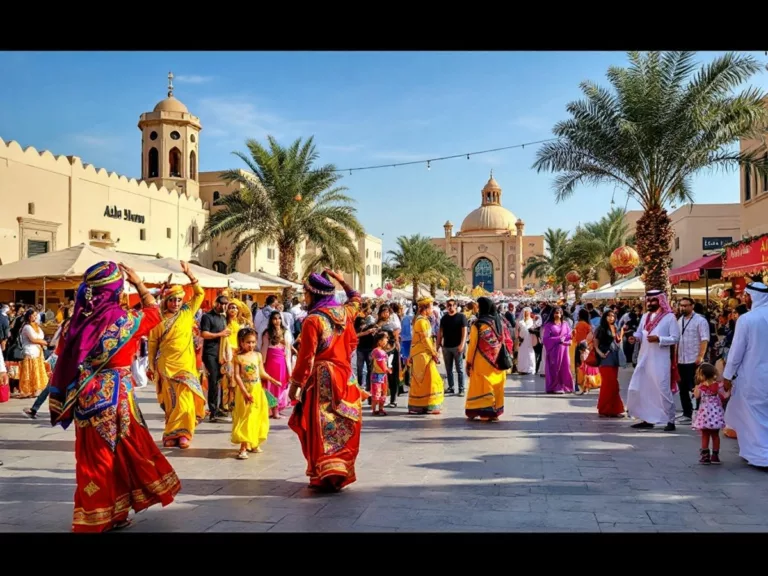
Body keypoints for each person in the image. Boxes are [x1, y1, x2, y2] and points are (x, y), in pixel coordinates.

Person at [48, 261, 180, 532]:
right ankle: (103, 517)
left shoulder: (77, 323)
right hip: (118, 397)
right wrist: (140, 284)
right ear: (117, 289)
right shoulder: (125, 321)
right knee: (118, 455)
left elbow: (64, 356)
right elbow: (154, 313)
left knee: (93, 458)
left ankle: (104, 512)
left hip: (86, 397)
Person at [287, 270, 364, 492]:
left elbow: (306, 357)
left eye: (306, 293)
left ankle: (324, 474)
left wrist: (295, 385)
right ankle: (338, 471)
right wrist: (341, 281)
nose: (304, 297)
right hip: (345, 377)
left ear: (314, 294)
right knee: (342, 423)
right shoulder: (344, 312)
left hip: (322, 379)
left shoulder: (313, 320)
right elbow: (356, 298)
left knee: (320, 425)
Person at [147, 264, 207, 449]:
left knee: (186, 401)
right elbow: (152, 344)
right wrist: (150, 366)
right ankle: (171, 434)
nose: (176, 303)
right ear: (166, 301)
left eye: (179, 300)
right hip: (166, 366)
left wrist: (190, 275)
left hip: (186, 366)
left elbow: (200, 294)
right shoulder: (158, 319)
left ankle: (185, 433)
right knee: (172, 402)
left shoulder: (187, 312)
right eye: (172, 300)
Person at [722, 282, 768, 467]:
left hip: (753, 375)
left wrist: (727, 375)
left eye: (746, 296)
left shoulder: (747, 319)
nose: (744, 299)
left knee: (753, 414)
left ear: (754, 297)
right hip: (756, 373)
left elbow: (736, 351)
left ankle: (761, 455)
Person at [627, 290, 681, 432]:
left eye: (653, 301)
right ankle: (646, 418)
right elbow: (640, 332)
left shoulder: (669, 318)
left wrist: (660, 339)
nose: (650, 303)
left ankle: (670, 420)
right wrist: (635, 338)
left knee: (663, 389)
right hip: (644, 357)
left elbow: (675, 338)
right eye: (649, 301)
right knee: (643, 387)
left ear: (660, 301)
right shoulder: (645, 316)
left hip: (660, 359)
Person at [232, 327, 280, 460]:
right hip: (245, 391)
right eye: (248, 342)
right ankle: (243, 447)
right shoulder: (238, 358)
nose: (251, 345)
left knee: (258, 416)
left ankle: (254, 443)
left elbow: (261, 372)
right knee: (246, 417)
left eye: (253, 342)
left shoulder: (258, 356)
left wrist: (272, 380)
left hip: (257, 390)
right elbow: (237, 376)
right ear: (241, 342)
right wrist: (245, 392)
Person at [465, 297, 513, 421]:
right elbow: (508, 341)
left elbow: (472, 345)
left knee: (483, 385)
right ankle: (495, 411)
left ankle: (485, 411)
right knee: (497, 385)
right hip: (499, 361)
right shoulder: (501, 322)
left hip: (482, 361)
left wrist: (468, 362)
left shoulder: (479, 324)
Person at [676, 297, 710, 425]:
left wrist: (700, 356)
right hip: (681, 359)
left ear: (692, 306)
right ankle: (687, 413)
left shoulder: (700, 321)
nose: (683, 308)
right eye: (681, 305)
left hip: (693, 359)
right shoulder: (679, 321)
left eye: (686, 305)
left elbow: (704, 339)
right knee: (683, 388)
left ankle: (701, 412)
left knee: (696, 387)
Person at [407, 297, 445, 415]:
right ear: (425, 308)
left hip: (423, 353)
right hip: (422, 354)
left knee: (425, 379)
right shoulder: (421, 322)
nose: (432, 309)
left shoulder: (422, 320)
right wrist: (434, 353)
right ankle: (424, 404)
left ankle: (424, 405)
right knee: (428, 379)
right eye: (431, 307)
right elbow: (425, 340)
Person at [200, 295, 231, 422]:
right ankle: (212, 411)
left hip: (220, 353)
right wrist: (220, 334)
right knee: (213, 380)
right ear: (216, 303)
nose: (223, 306)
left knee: (219, 380)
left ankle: (218, 408)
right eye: (222, 303)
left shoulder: (223, 318)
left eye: (225, 304)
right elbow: (204, 334)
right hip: (210, 353)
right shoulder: (207, 316)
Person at [692, 362, 729, 464]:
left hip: (705, 415)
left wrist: (696, 387)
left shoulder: (701, 387)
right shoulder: (718, 386)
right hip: (715, 415)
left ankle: (705, 456)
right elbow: (725, 396)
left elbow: (696, 396)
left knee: (705, 435)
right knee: (715, 435)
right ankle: (715, 456)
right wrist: (730, 390)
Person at [594, 309, 625, 417]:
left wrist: (621, 335)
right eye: (609, 316)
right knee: (608, 384)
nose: (611, 318)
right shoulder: (601, 329)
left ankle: (614, 409)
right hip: (605, 358)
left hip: (614, 357)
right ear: (605, 317)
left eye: (613, 316)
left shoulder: (615, 328)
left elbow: (617, 342)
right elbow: (595, 344)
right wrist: (600, 353)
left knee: (614, 385)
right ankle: (604, 409)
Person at [262, 310, 291, 417]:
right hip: (271, 360)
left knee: (281, 384)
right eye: (274, 318)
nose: (277, 321)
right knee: (271, 385)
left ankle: (277, 408)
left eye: (279, 318)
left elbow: (288, 349)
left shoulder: (285, 331)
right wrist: (262, 364)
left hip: (282, 361)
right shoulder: (267, 333)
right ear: (271, 320)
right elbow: (264, 348)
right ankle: (273, 410)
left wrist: (290, 368)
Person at [437, 298, 468, 396]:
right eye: (448, 305)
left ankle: (461, 388)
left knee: (459, 369)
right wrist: (437, 347)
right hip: (446, 347)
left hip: (457, 346)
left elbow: (464, 332)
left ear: (455, 306)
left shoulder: (461, 317)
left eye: (452, 305)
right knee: (448, 369)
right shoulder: (444, 318)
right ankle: (451, 387)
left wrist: (462, 345)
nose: (450, 307)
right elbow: (440, 333)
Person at [17, 309, 49, 398]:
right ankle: (28, 390)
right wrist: (45, 343)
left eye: (36, 315)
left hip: (38, 351)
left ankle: (36, 389)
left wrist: (43, 342)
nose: (34, 317)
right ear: (28, 316)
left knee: (37, 371)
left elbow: (40, 337)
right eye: (33, 315)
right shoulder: (27, 327)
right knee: (30, 371)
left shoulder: (37, 326)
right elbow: (33, 339)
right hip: (30, 351)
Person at [541, 307, 574, 394]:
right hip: (554, 351)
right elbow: (546, 339)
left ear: (562, 314)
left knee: (565, 367)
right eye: (556, 312)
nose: (557, 314)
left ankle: (566, 386)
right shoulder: (549, 325)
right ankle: (555, 386)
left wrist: (569, 341)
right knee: (555, 368)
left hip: (564, 350)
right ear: (552, 314)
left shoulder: (565, 324)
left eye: (559, 312)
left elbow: (569, 335)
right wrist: (559, 339)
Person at [370, 332, 391, 416]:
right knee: (377, 392)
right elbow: (381, 364)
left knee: (383, 392)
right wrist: (387, 369)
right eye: (385, 338)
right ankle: (375, 409)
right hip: (377, 375)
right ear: (379, 341)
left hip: (382, 375)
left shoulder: (380, 351)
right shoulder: (378, 351)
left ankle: (381, 408)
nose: (387, 340)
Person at [516, 307, 538, 375]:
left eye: (528, 312)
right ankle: (522, 369)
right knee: (522, 354)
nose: (527, 313)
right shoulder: (520, 322)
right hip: (522, 341)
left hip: (529, 339)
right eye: (525, 312)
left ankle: (530, 369)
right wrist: (518, 338)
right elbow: (517, 331)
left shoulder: (532, 321)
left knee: (530, 354)